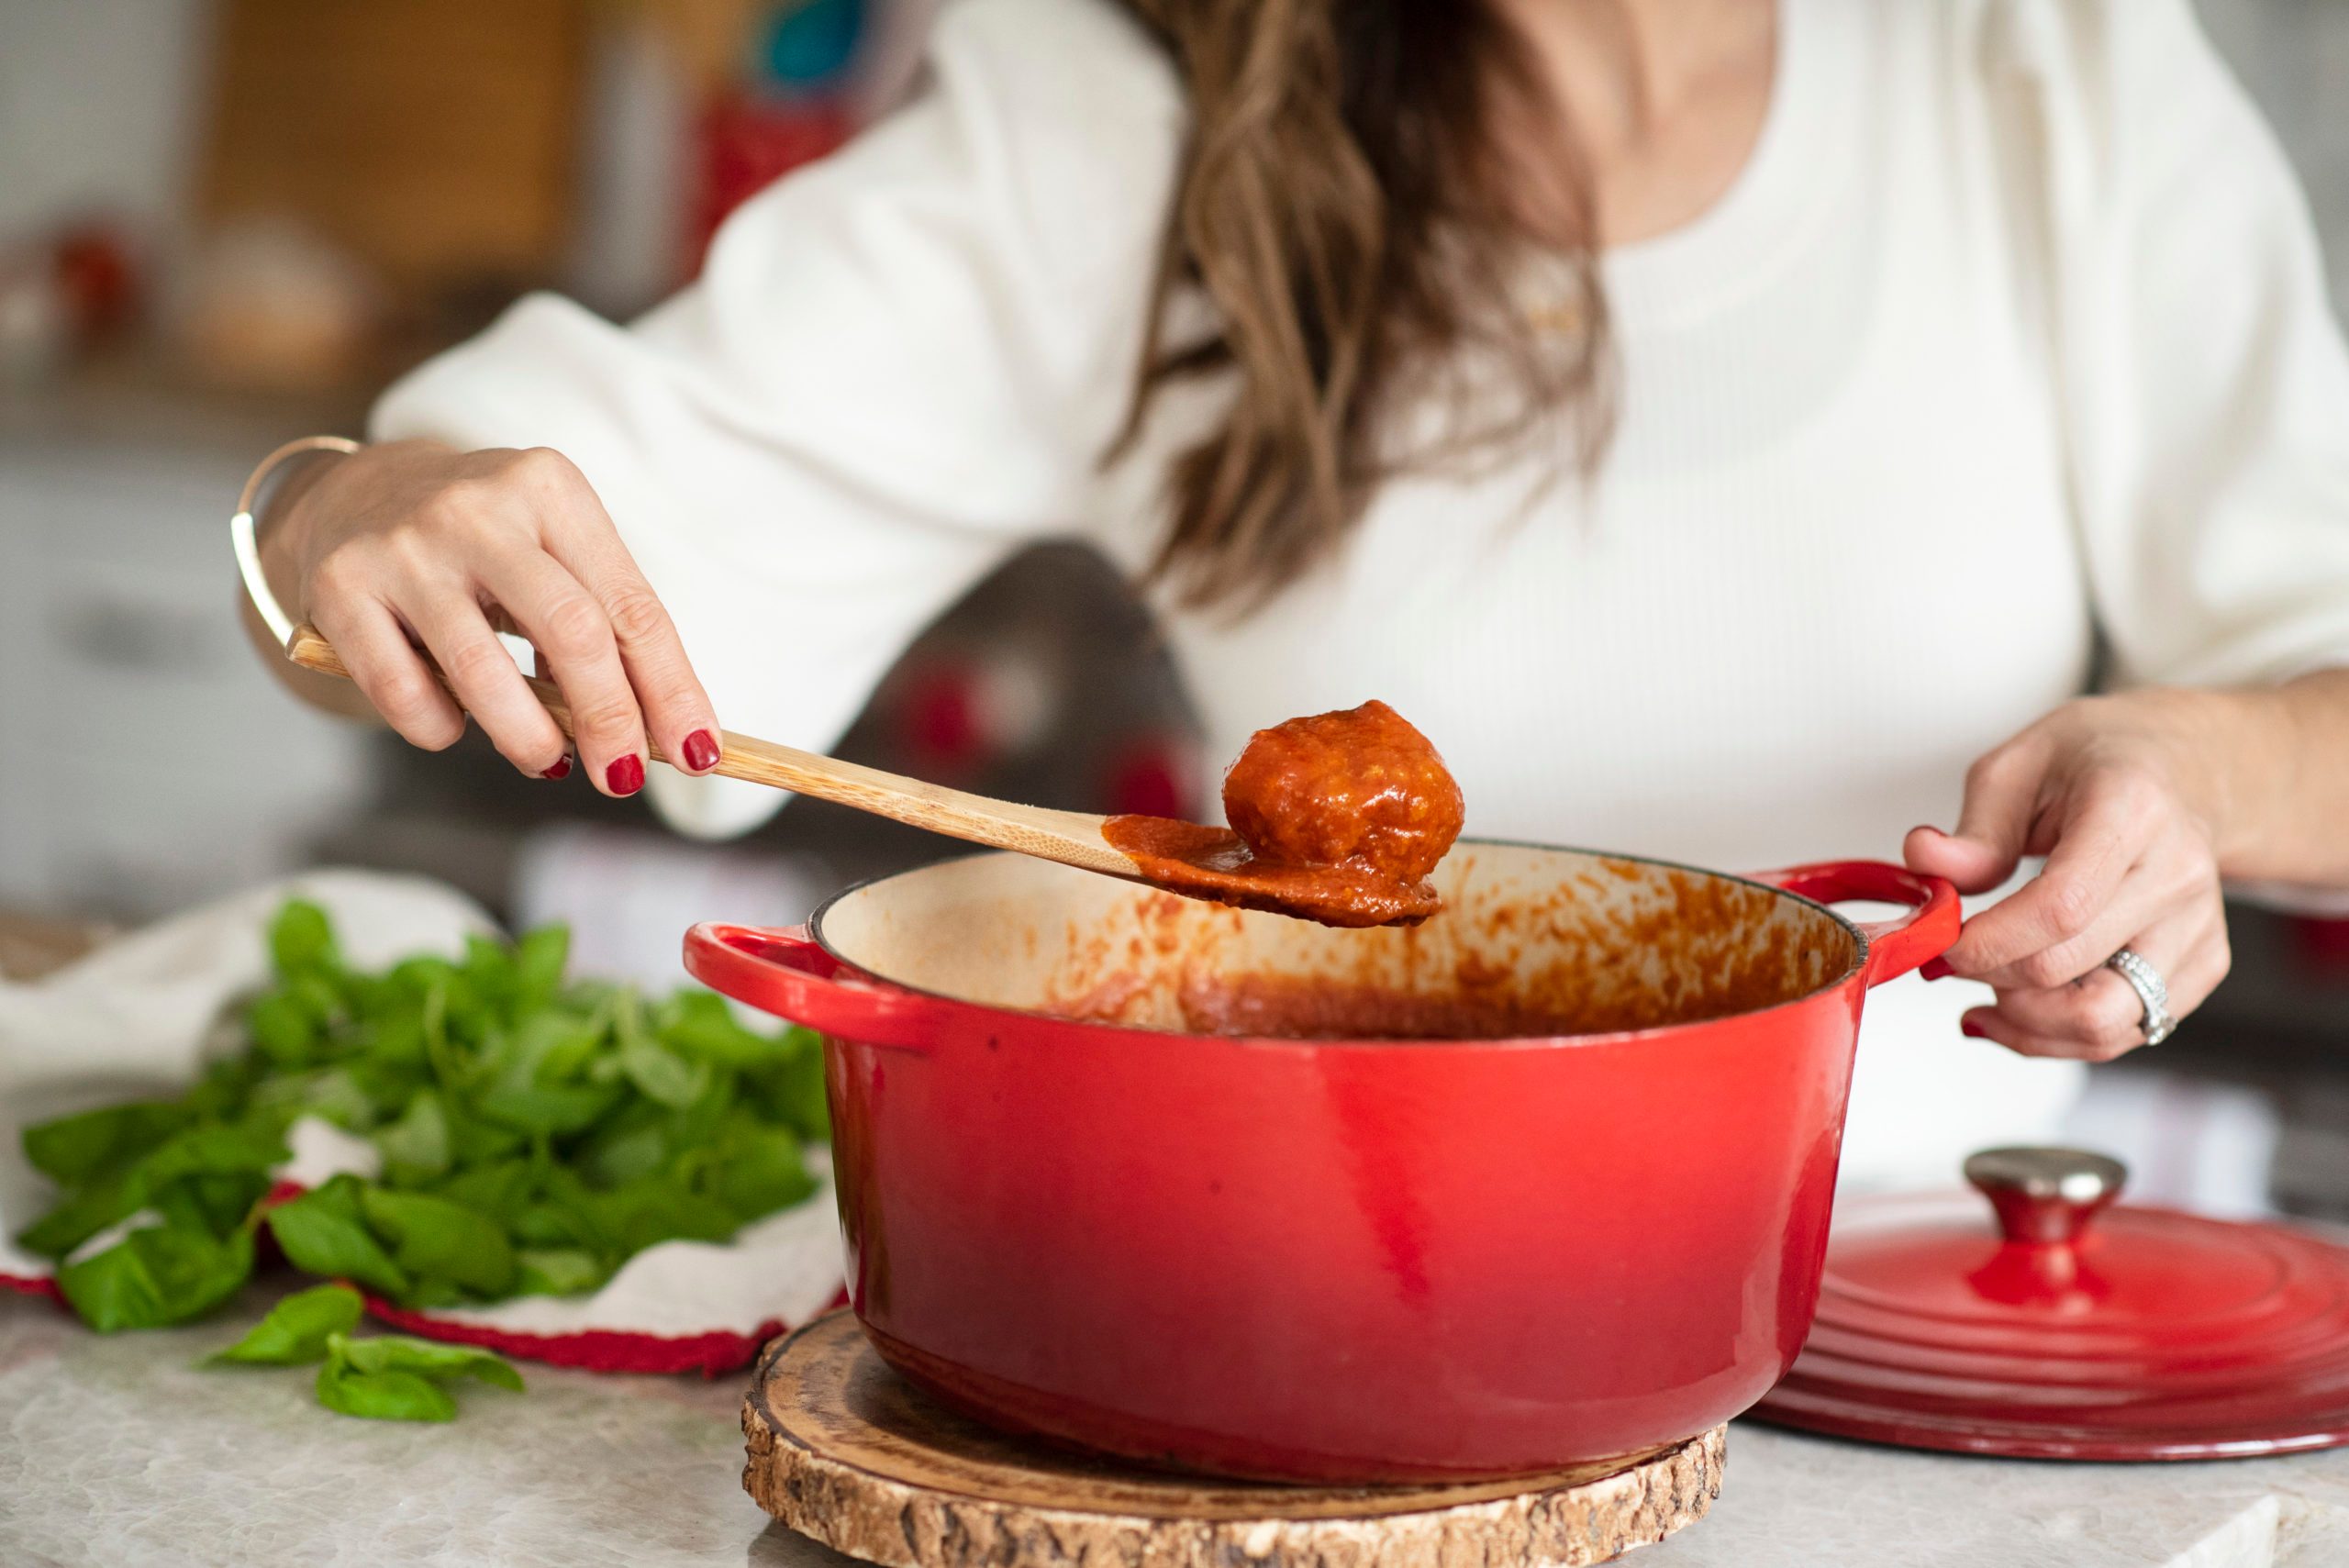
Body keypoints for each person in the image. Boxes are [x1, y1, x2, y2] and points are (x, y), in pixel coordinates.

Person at [239, 0, 2349, 1190]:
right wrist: (356, 512)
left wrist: (2186, 768)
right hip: (1323, 1312)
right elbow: (554, 553)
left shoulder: (2043, 63)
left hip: (1915, 1323)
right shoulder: (1121, 119)